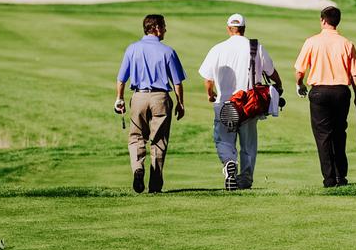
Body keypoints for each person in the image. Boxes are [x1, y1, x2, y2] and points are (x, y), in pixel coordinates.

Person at [198, 13, 282, 190]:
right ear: (244, 29)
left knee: (224, 140)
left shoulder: (217, 48)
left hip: (224, 103)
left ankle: (229, 163)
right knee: (248, 144)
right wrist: (279, 85)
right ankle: (245, 179)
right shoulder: (255, 46)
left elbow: (208, 79)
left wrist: (210, 94)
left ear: (229, 29)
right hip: (248, 105)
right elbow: (271, 72)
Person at [114, 14, 186, 194]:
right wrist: (181, 103)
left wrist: (120, 98)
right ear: (156, 28)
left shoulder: (132, 49)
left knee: (136, 137)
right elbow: (177, 82)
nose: (165, 30)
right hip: (160, 98)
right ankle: (154, 186)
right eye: (164, 26)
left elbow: (121, 79)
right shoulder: (168, 51)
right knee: (159, 141)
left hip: (138, 97)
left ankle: (138, 168)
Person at [294, 5, 356, 187]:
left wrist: (299, 85)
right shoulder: (347, 43)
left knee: (323, 136)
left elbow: (299, 71)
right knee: (339, 133)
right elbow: (355, 75)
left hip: (319, 93)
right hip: (341, 92)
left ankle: (329, 178)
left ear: (323, 20)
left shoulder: (311, 41)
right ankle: (342, 176)